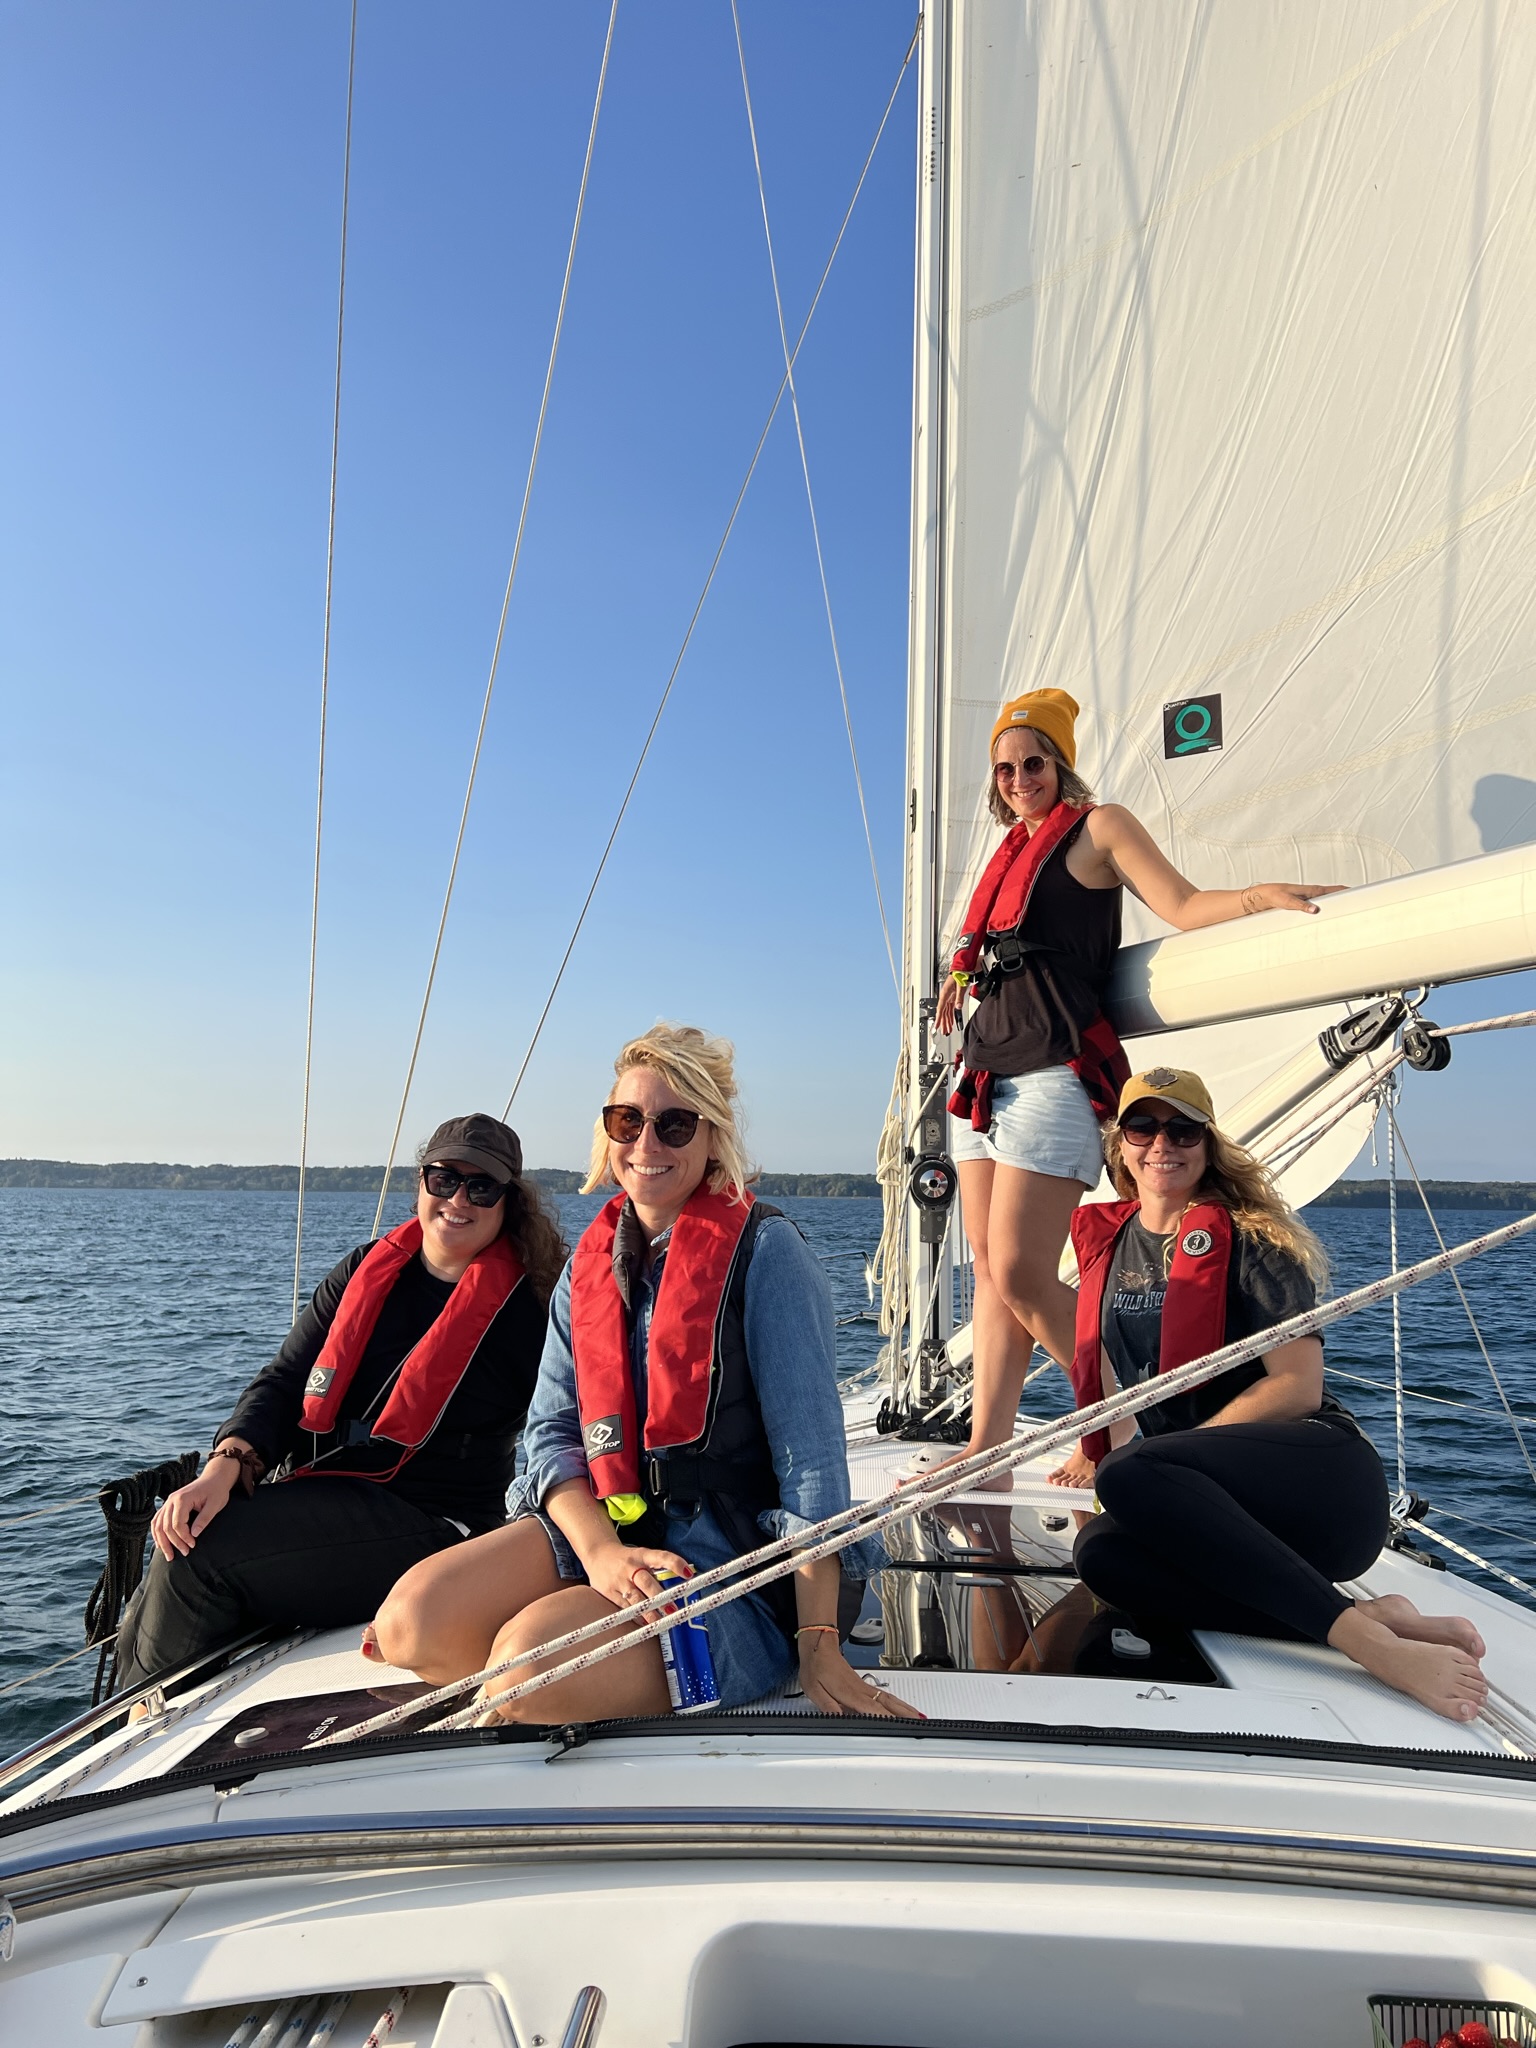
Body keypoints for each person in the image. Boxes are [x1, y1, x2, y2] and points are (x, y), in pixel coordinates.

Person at [373, 1023, 922, 1723]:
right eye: (627, 1121)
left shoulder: (770, 1254)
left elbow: (812, 1469)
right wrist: (603, 1556)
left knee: (525, 1671)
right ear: (606, 1133)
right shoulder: (587, 1267)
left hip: (730, 1569)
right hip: (607, 1531)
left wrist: (819, 1644)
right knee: (410, 1625)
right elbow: (551, 1436)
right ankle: (579, 1640)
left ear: (713, 1138)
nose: (647, 1145)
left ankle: (601, 1654)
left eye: (675, 1124)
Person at [933, 687, 1339, 1485]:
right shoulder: (1008, 851)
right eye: (1006, 768)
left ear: (1062, 764)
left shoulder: (1098, 828)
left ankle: (1119, 1427)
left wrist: (1259, 897)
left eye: (1035, 763)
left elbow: (1182, 904)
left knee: (1020, 1272)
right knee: (988, 1271)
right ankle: (988, 1449)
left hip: (1050, 1074)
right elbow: (998, 948)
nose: (1020, 779)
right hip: (981, 1079)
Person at [1064, 1066, 1488, 1724]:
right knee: (1101, 1558)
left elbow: (1297, 1386)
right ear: (1121, 1142)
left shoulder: (1254, 1239)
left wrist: (1158, 1465)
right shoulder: (1111, 1247)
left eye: (1183, 1129)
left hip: (1322, 1490)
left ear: (1208, 1144)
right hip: (1217, 1509)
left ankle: (1374, 1649)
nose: (1162, 1144)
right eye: (1144, 1127)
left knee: (1131, 1473)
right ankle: (1371, 1619)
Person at [113, 1114, 563, 1691]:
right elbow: (284, 1379)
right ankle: (137, 1722)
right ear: (421, 1183)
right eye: (443, 1179)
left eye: (481, 1187)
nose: (458, 1199)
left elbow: (566, 1420)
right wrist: (227, 1462)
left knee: (204, 1557)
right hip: (335, 1494)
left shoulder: (531, 1307)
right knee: (185, 1531)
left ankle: (143, 1730)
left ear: (508, 1202)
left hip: (436, 1523)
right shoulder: (364, 1269)